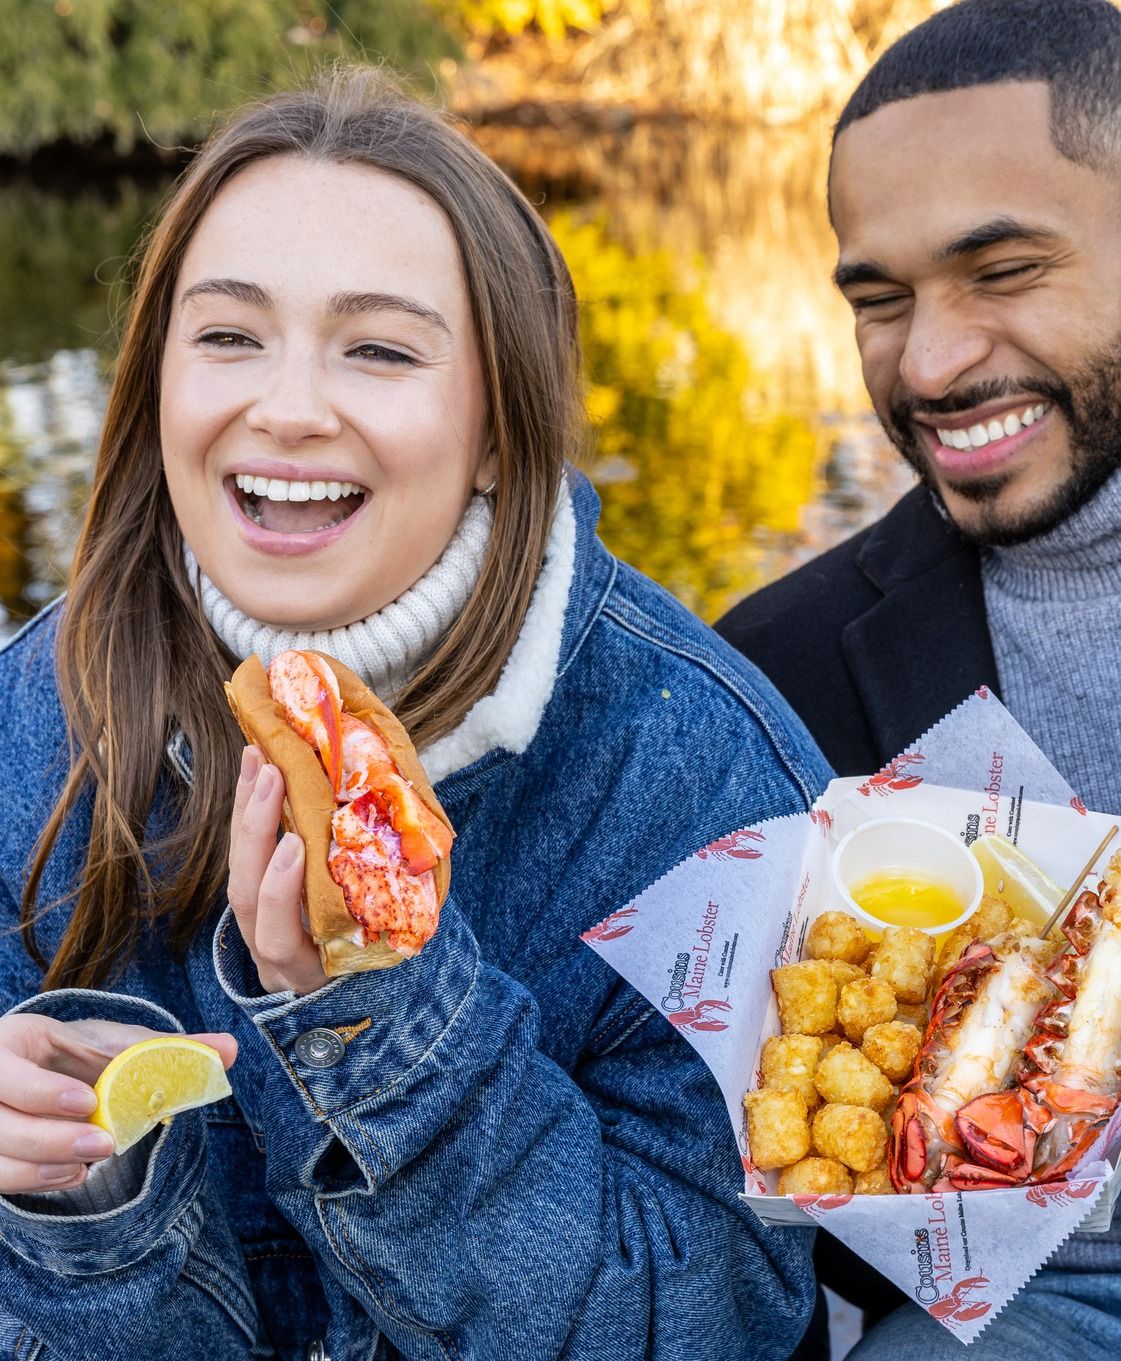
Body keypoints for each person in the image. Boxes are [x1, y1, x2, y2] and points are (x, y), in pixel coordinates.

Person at [0, 69, 831, 1360]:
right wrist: (60, 1205)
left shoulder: (706, 779)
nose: (284, 405)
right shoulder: (33, 723)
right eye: (226, 336)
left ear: (501, 427)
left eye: (377, 349)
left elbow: (716, 1321)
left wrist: (391, 1025)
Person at [717, 0, 1121, 1355]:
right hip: (1025, 1297)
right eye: (877, 300)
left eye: (1000, 271)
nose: (929, 365)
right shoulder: (768, 668)